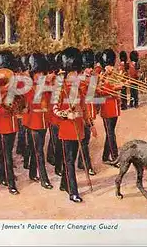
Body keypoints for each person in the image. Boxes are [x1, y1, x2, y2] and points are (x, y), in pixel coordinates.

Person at [52, 47, 88, 203]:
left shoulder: (79, 88)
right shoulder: (60, 88)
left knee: (71, 159)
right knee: (68, 160)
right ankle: (73, 192)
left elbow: (84, 107)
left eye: (76, 73)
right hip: (67, 128)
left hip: (78, 127)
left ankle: (63, 184)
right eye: (73, 73)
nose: (76, 75)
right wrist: (66, 114)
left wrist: (89, 123)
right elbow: (54, 109)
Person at [0, 51, 20, 195]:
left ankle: (2, 173)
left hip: (13, 124)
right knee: (7, 154)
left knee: (7, 152)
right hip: (3, 124)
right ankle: (11, 183)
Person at [26, 52, 53, 189]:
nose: (40, 76)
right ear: (33, 73)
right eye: (38, 73)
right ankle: (44, 179)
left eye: (42, 73)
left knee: (35, 149)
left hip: (44, 122)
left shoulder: (46, 86)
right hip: (34, 123)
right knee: (39, 151)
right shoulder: (29, 87)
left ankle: (32, 173)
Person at [98, 49, 123, 165]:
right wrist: (114, 89)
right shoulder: (101, 77)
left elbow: (120, 85)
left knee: (110, 132)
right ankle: (115, 157)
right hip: (106, 108)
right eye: (108, 65)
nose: (111, 68)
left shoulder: (114, 74)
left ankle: (105, 156)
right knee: (111, 133)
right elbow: (99, 91)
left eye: (111, 65)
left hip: (114, 107)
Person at [78, 49, 97, 176]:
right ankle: (87, 165)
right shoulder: (80, 80)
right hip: (83, 114)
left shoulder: (91, 79)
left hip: (90, 111)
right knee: (84, 141)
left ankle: (81, 162)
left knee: (86, 140)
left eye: (91, 67)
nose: (91, 70)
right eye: (88, 68)